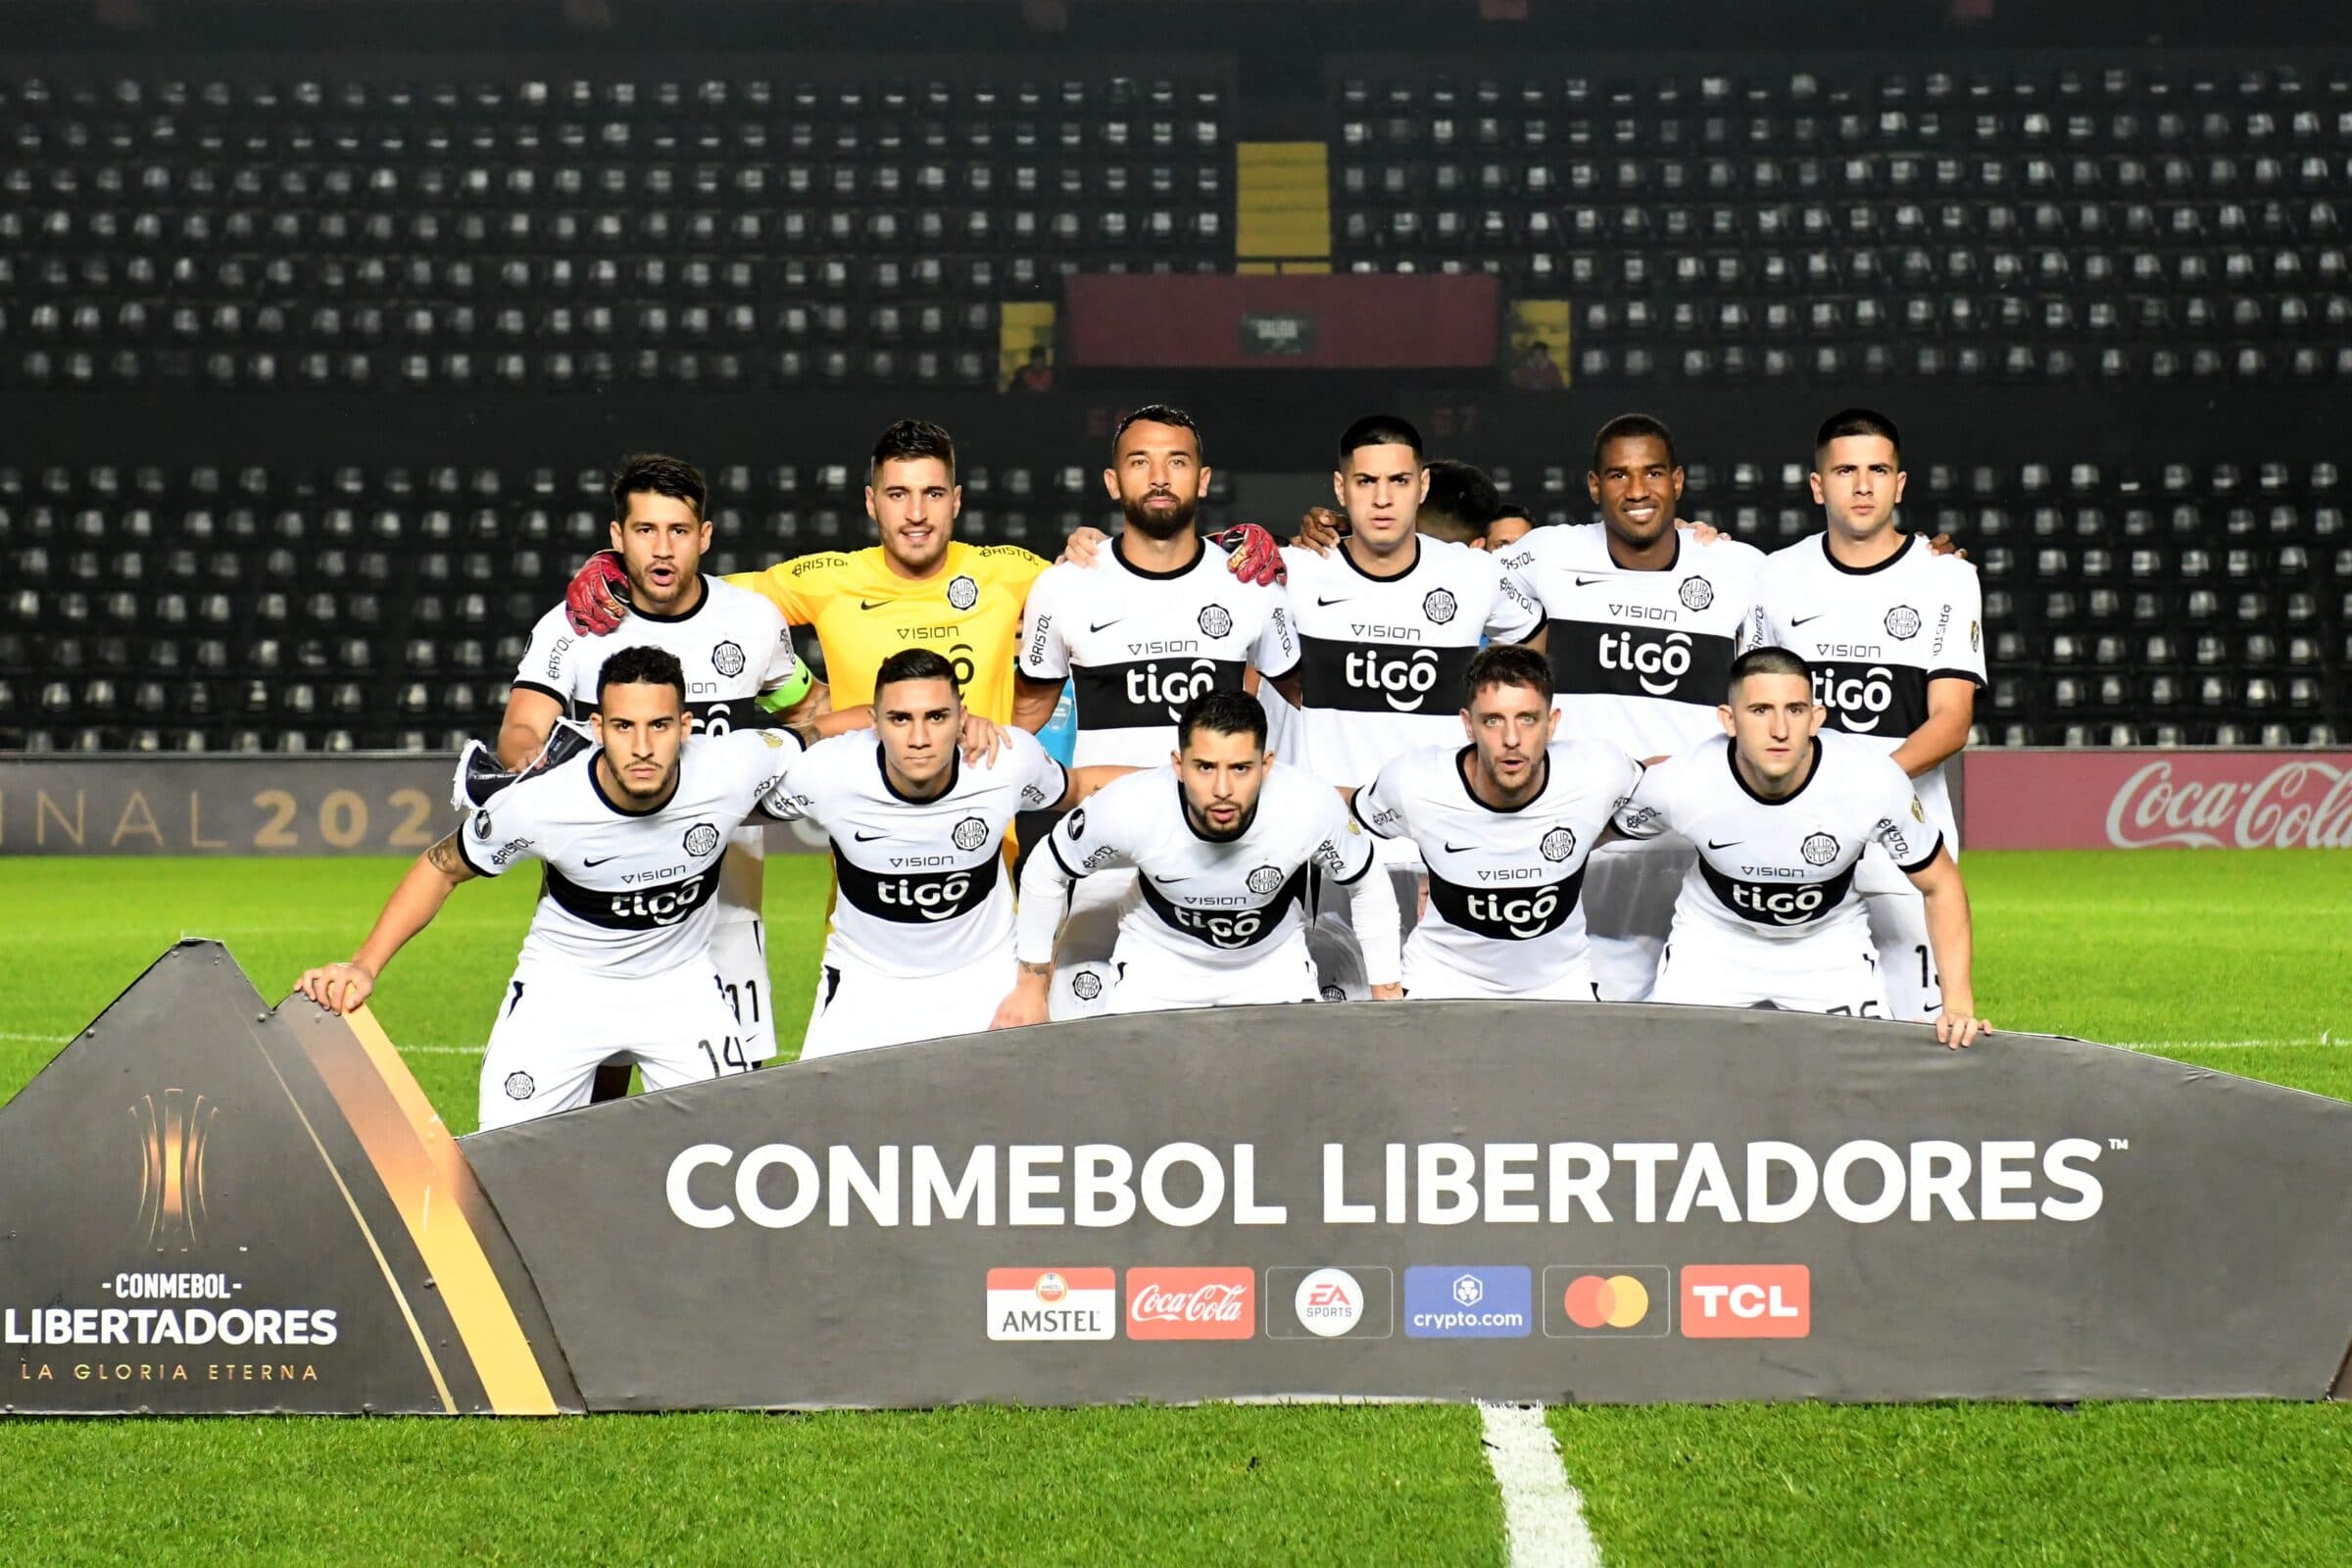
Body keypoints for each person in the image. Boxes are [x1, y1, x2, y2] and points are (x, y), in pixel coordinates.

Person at [298, 647, 822, 1129]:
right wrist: (363, 964)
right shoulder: (541, 803)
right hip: (565, 990)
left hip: (680, 988)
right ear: (597, 728)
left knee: (731, 1151)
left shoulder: (733, 764)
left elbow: (828, 730)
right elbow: (442, 866)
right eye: (623, 726)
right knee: (506, 1158)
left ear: (686, 726)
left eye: (659, 725)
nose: (642, 747)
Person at [499, 454, 822, 1074]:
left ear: (704, 536)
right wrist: (543, 772)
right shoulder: (577, 626)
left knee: (730, 1105)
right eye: (645, 530)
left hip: (726, 903)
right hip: (604, 907)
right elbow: (520, 732)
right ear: (618, 537)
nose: (662, 548)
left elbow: (807, 705)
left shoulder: (753, 622)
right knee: (596, 1099)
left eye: (678, 531)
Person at [1011, 404, 1302, 1017]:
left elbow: (1310, 700)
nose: (1160, 477)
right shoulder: (1063, 586)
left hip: (1222, 859)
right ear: (1114, 482)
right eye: (1140, 462)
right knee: (1091, 1060)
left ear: (1203, 478)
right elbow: (1026, 715)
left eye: (1178, 461)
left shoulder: (1250, 583)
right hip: (1103, 865)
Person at [1272, 415, 1546, 998]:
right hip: (1329, 854)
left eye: (1398, 481)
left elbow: (1533, 641)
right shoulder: (1294, 571)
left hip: (1442, 852)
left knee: (1442, 1036)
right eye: (1366, 482)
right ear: (1341, 490)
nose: (1382, 499)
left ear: (1422, 487)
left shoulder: (1473, 574)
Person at [1497, 415, 1767, 1003]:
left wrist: (1930, 557)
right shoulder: (1548, 554)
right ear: (1595, 486)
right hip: (1580, 841)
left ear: (1678, 482)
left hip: (1694, 847)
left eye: (1652, 474)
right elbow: (1444, 578)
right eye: (1619, 474)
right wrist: (1333, 539)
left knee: (1691, 1035)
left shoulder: (1738, 569)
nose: (1637, 490)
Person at [1612, 647, 1989, 1047]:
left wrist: (1959, 1006)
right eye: (1759, 710)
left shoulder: (1871, 782)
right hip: (1714, 942)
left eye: (1794, 710)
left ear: (1816, 718)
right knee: (1669, 1065)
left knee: (1864, 1079)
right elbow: (1593, 830)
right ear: (1729, 720)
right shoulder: (1683, 781)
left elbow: (1940, 884)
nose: (1779, 729)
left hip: (1827, 945)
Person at [762, 649, 1130, 1056]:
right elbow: (723, 805)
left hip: (984, 979)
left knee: (1010, 1116)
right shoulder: (828, 773)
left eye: (936, 717)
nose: (919, 740)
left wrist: (1179, 780)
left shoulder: (1003, 762)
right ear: (874, 723)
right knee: (829, 1116)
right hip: (866, 984)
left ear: (962, 719)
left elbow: (1076, 788)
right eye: (900, 719)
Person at [1747, 409, 1986, 1023]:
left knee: (1924, 1032)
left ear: (1899, 485)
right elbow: (1752, 713)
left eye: (1878, 469)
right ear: (1817, 485)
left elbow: (1951, 721)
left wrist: (1857, 791)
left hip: (1907, 848)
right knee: (1804, 1037)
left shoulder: (1947, 578)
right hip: (1796, 842)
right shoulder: (1772, 576)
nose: (1862, 485)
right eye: (1845, 470)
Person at [994, 691, 1399, 1022]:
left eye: (1241, 768)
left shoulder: (1310, 807)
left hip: (1271, 967)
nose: (1222, 788)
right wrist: (1031, 985)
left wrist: (1386, 990)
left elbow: (1368, 883)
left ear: (1266, 765)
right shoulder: (1129, 808)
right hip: (1159, 967)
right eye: (1205, 767)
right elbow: (1046, 870)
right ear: (1178, 765)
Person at [1347, 644, 1642, 1000]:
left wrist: (1590, 836)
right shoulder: (1414, 784)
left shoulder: (1600, 773)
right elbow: (1345, 810)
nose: (1512, 740)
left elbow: (1671, 780)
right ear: (1468, 726)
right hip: (1440, 978)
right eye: (1493, 720)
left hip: (1559, 983)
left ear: (1552, 724)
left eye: (1527, 719)